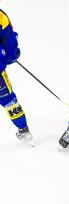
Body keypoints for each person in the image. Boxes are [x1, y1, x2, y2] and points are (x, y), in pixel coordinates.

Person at [0, 9, 33, 146]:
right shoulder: (1, 17)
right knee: (8, 100)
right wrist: (11, 56)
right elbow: (10, 42)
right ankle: (24, 130)